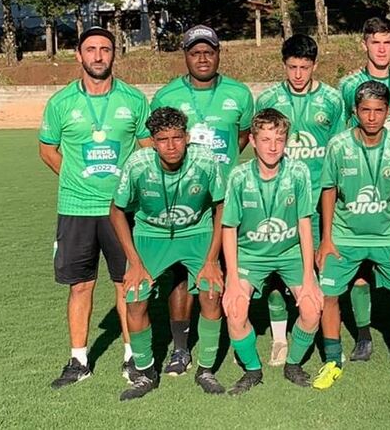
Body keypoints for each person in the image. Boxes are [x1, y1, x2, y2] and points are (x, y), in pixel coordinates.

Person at [40, 26, 151, 389]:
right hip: (75, 208)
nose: (98, 56)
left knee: (126, 285)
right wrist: (76, 179)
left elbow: (147, 146)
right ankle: (79, 360)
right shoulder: (60, 103)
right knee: (80, 286)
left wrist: (128, 185)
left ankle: (132, 357)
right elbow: (47, 149)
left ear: (114, 54)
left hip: (121, 210)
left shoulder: (134, 100)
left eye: (105, 49)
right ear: (79, 55)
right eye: (91, 49)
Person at [150, 24, 254, 375]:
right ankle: (180, 348)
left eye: (209, 51)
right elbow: (158, 142)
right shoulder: (166, 94)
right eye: (195, 52)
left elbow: (241, 137)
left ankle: (233, 340)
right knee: (180, 277)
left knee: (224, 273)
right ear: (185, 56)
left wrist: (218, 172)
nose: (203, 58)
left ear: (218, 54)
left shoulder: (239, 93)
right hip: (185, 204)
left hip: (226, 200)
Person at [314, 81, 390, 389]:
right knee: (329, 296)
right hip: (345, 235)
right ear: (355, 111)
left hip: (388, 236)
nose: (372, 117)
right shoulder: (339, 145)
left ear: (388, 112)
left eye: (379, 111)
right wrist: (326, 239)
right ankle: (332, 360)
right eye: (366, 110)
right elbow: (328, 191)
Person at [109, 108, 228, 400]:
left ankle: (205, 370)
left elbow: (222, 206)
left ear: (187, 137)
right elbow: (116, 210)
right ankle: (146, 373)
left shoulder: (205, 160)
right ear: (152, 141)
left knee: (211, 293)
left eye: (177, 137)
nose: (172, 145)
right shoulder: (137, 164)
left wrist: (212, 260)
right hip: (151, 235)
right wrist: (134, 263)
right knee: (135, 299)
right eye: (163, 139)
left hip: (196, 232)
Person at [255, 34, 344, 365]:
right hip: (278, 201)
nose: (297, 74)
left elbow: (336, 151)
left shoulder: (333, 100)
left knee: (321, 264)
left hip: (320, 201)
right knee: (279, 271)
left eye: (304, 67)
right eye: (291, 67)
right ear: (283, 65)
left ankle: (325, 336)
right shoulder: (268, 97)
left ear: (314, 65)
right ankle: (280, 337)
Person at [221, 108, 323, 395]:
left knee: (312, 308)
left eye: (279, 139)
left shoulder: (298, 171)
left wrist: (308, 275)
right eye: (265, 139)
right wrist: (231, 279)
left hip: (290, 253)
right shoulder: (240, 176)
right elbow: (228, 228)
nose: (273, 146)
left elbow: (305, 225)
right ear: (252, 141)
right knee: (236, 310)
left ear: (287, 140)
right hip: (251, 256)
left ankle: (293, 364)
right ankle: (253, 369)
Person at [337, 17, 390, 359]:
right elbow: (343, 130)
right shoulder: (349, 84)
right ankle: (364, 333)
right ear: (364, 44)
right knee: (360, 267)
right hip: (359, 183)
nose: (381, 49)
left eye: (387, 42)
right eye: (375, 42)